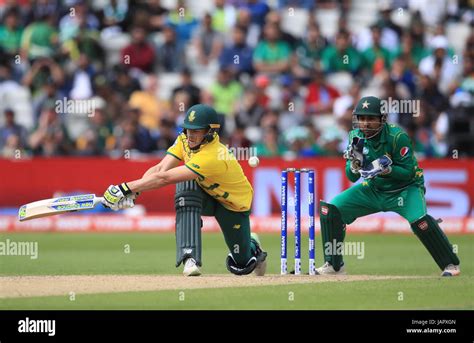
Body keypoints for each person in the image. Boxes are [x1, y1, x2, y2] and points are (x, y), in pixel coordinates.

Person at [101, 104, 267, 277]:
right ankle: (190, 258)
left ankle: (252, 243)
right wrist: (134, 192)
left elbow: (165, 179)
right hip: (206, 194)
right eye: (188, 129)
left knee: (242, 263)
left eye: (196, 131)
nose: (190, 135)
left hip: (233, 205)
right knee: (186, 189)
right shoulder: (183, 140)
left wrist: (123, 188)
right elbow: (160, 169)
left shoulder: (213, 155)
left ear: (210, 132)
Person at [316, 96, 460, 277]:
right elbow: (352, 177)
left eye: (370, 119)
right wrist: (353, 165)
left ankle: (450, 265)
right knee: (332, 209)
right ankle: (334, 266)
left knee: (421, 222)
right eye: (362, 118)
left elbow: (408, 172)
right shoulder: (355, 137)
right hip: (374, 189)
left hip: (406, 189)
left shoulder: (397, 136)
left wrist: (387, 170)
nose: (365, 124)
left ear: (382, 119)